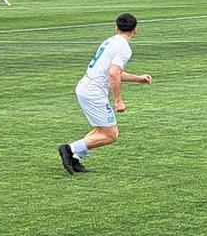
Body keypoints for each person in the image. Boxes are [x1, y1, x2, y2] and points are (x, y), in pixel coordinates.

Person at [57, 13, 153, 175]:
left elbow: (112, 72)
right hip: (93, 92)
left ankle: (75, 157)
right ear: (135, 30)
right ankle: (69, 149)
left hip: (86, 87)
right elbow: (114, 74)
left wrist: (138, 79)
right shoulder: (124, 48)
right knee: (110, 134)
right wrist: (118, 101)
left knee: (101, 130)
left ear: (116, 27)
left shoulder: (110, 41)